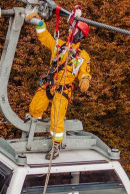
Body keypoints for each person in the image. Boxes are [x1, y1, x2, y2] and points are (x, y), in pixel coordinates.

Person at [25, 12, 92, 159]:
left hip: (63, 89)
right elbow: (45, 38)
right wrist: (40, 23)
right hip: (50, 83)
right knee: (35, 107)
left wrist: (85, 79)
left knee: (57, 117)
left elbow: (84, 71)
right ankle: (31, 127)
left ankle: (56, 145)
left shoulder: (82, 56)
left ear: (79, 35)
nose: (70, 32)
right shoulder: (59, 45)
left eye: (73, 30)